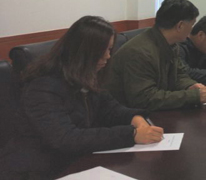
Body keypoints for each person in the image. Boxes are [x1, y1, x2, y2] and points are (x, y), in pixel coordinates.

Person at [0, 16, 165, 178]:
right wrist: (131, 135)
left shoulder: (86, 77)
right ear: (84, 52)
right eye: (103, 50)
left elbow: (111, 109)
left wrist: (136, 119)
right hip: (34, 170)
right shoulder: (43, 87)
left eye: (110, 49)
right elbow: (66, 138)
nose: (108, 56)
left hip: (73, 162)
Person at [106, 0, 206, 110]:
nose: (192, 29)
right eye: (192, 24)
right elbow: (144, 99)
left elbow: (179, 75)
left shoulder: (171, 44)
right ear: (180, 26)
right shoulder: (139, 52)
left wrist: (190, 85)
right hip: (129, 115)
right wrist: (192, 96)